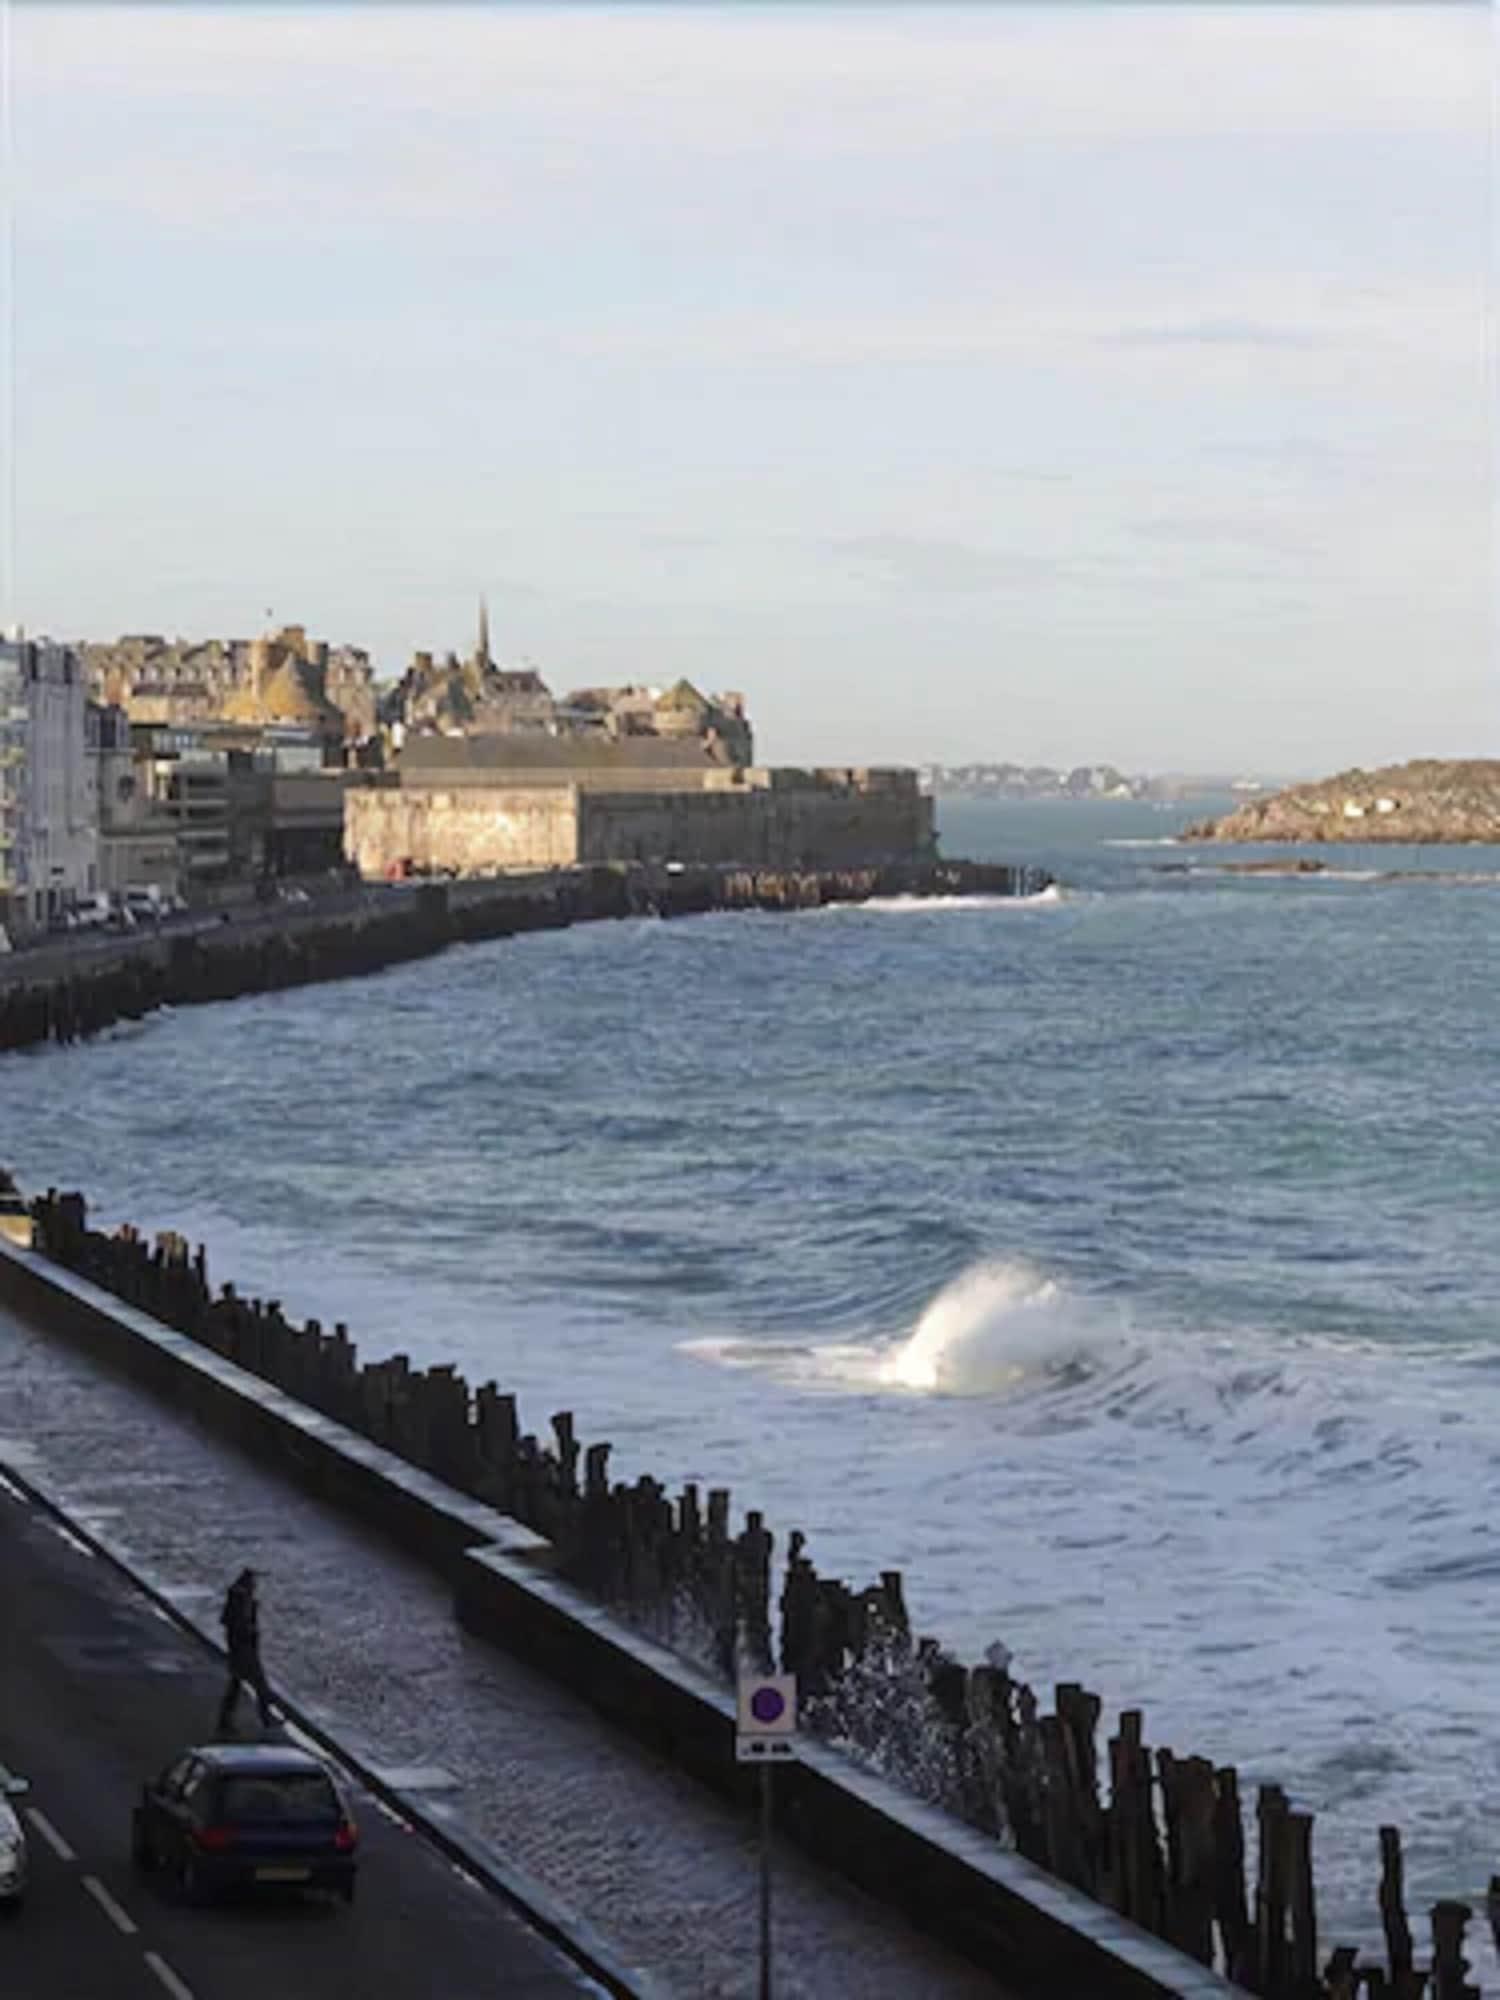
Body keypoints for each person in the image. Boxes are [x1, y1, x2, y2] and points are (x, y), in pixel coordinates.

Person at [216, 1567, 274, 1732]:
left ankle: (225, 1720)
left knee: (235, 1687)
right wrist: (251, 1630)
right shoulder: (240, 1602)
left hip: (241, 1651)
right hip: (244, 1652)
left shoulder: (242, 1601)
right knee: (260, 1686)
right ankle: (266, 1719)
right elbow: (243, 1628)